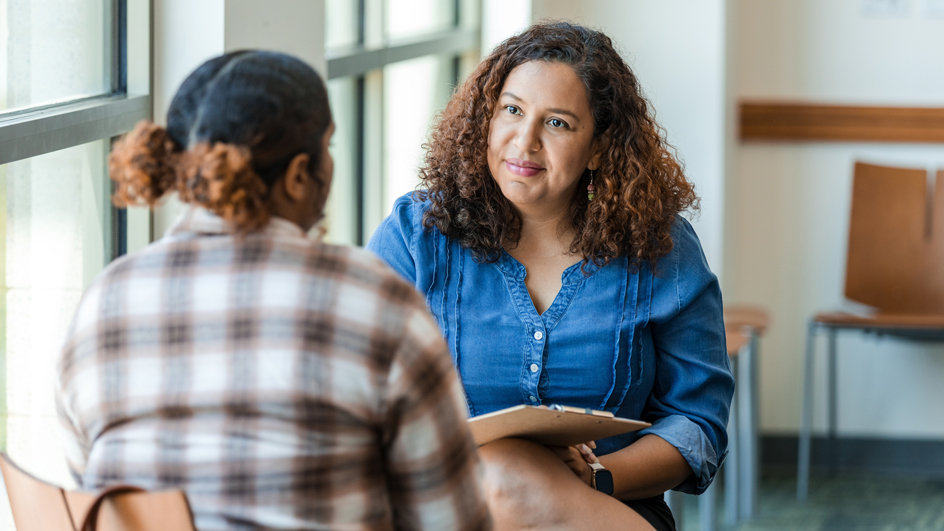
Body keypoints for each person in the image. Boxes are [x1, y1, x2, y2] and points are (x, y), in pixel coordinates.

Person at [55, 50, 491, 531]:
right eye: (329, 146)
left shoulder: (105, 299)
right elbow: (452, 520)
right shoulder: (375, 302)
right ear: (299, 174)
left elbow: (89, 490)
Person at [366, 22, 734, 531]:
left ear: (600, 147)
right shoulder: (416, 235)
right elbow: (354, 389)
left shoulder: (662, 247)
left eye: (557, 123)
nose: (525, 142)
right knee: (499, 472)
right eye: (512, 111)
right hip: (443, 510)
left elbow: (698, 425)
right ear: (487, 119)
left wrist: (597, 475)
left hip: (603, 509)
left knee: (507, 476)